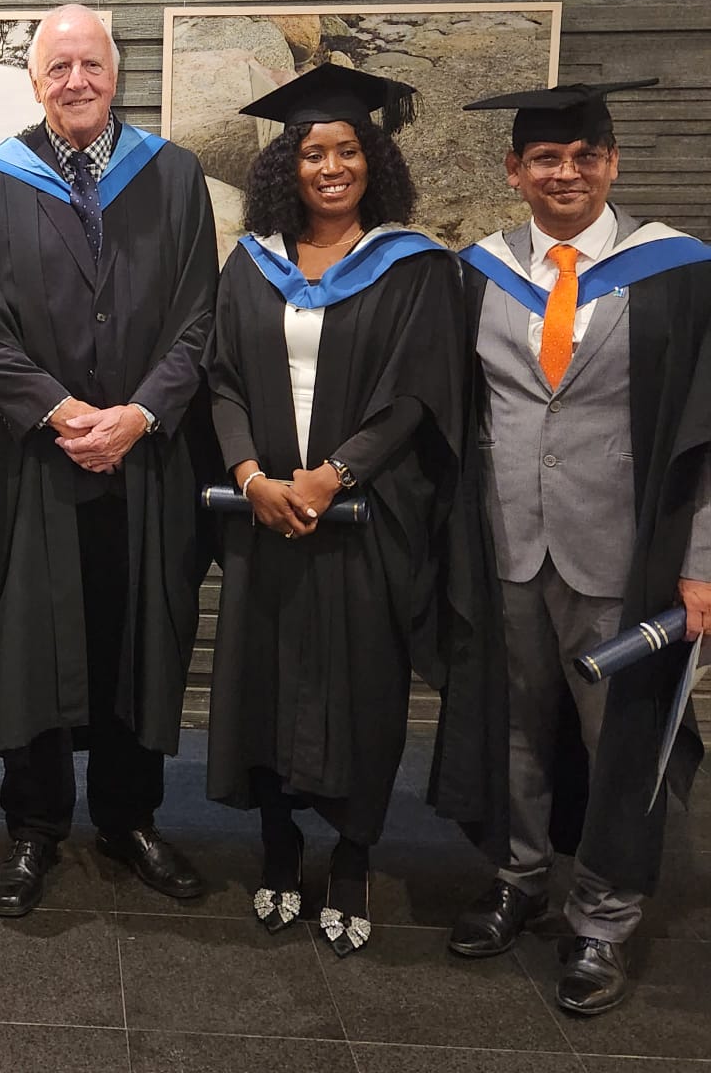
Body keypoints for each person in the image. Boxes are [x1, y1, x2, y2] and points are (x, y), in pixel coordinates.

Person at [442, 79, 711, 1014]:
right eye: (547, 158)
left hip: (623, 552)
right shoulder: (478, 271)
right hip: (508, 540)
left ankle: (603, 920)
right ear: (515, 171)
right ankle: (518, 879)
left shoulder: (678, 270)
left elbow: (708, 433)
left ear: (612, 163)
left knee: (620, 739)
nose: (567, 172)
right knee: (515, 727)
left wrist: (702, 563)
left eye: (585, 155)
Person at [0, 3, 219, 918]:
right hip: (34, 462)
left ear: (117, 71)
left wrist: (140, 414)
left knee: (137, 631)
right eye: (57, 67)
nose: (75, 82)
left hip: (144, 462)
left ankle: (130, 817)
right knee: (35, 641)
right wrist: (62, 412)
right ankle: (33, 827)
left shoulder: (175, 177)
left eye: (89, 65)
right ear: (34, 80)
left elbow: (199, 319)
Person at [202, 64, 466, 957]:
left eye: (346, 149)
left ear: (373, 158)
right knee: (264, 676)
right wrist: (249, 475)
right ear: (288, 165)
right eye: (312, 151)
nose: (329, 166)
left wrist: (333, 477)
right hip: (264, 513)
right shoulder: (252, 263)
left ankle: (352, 854)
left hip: (362, 518)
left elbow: (416, 391)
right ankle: (279, 844)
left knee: (363, 687)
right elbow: (223, 377)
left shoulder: (414, 265)